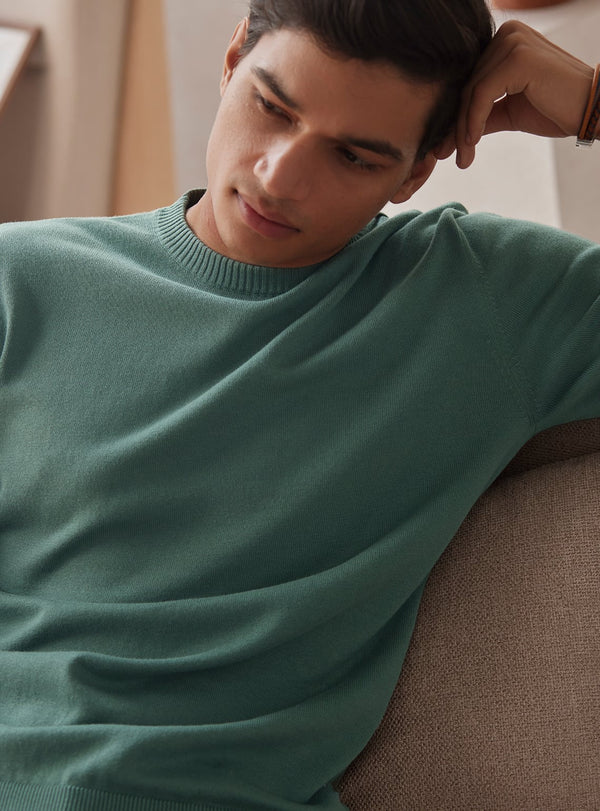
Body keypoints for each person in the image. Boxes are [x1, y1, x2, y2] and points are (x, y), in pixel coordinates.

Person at [0, 1, 598, 809]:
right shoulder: (20, 282)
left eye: (352, 156)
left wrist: (594, 104)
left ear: (414, 173)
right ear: (232, 61)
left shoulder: (477, 302)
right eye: (273, 108)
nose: (280, 175)